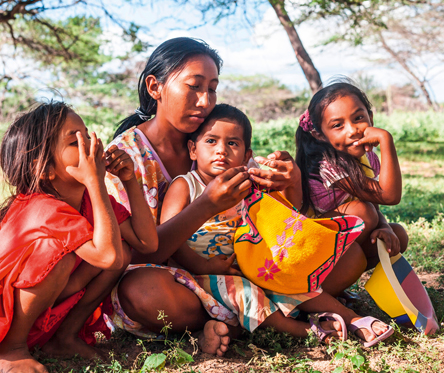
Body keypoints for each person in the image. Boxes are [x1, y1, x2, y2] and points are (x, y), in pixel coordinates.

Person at [104, 38, 386, 356]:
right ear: (155, 87)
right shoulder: (126, 156)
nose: (204, 101)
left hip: (243, 268)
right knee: (142, 293)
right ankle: (262, 316)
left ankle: (238, 320)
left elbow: (282, 215)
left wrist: (289, 180)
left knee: (349, 256)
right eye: (194, 87)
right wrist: (206, 205)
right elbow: (133, 256)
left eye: (212, 88)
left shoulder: (218, 134)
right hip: (175, 282)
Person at [160, 103, 393, 346]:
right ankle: (308, 331)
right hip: (202, 274)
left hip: (251, 267)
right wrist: (203, 265)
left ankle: (354, 320)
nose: (221, 150)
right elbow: (172, 240)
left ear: (247, 156)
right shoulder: (185, 186)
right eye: (211, 141)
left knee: (288, 280)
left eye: (232, 143)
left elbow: (286, 216)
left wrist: (291, 182)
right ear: (192, 149)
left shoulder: (249, 184)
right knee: (244, 292)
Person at [0, 102, 158, 373]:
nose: (90, 145)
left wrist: (128, 180)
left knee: (123, 250)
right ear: (44, 170)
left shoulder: (90, 202)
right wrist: (95, 182)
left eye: (87, 134)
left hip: (46, 315)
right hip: (0, 323)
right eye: (74, 142)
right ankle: (10, 350)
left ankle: (63, 338)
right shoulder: (43, 208)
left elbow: (146, 243)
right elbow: (108, 257)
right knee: (55, 253)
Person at [295, 81, 409, 298]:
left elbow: (375, 200)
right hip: (307, 248)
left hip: (334, 243)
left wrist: (384, 225)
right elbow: (389, 195)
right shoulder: (326, 164)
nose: (353, 130)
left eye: (358, 118)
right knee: (362, 214)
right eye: (338, 125)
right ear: (320, 134)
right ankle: (313, 296)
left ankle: (335, 285)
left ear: (370, 117)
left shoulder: (365, 158)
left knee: (396, 236)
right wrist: (386, 140)